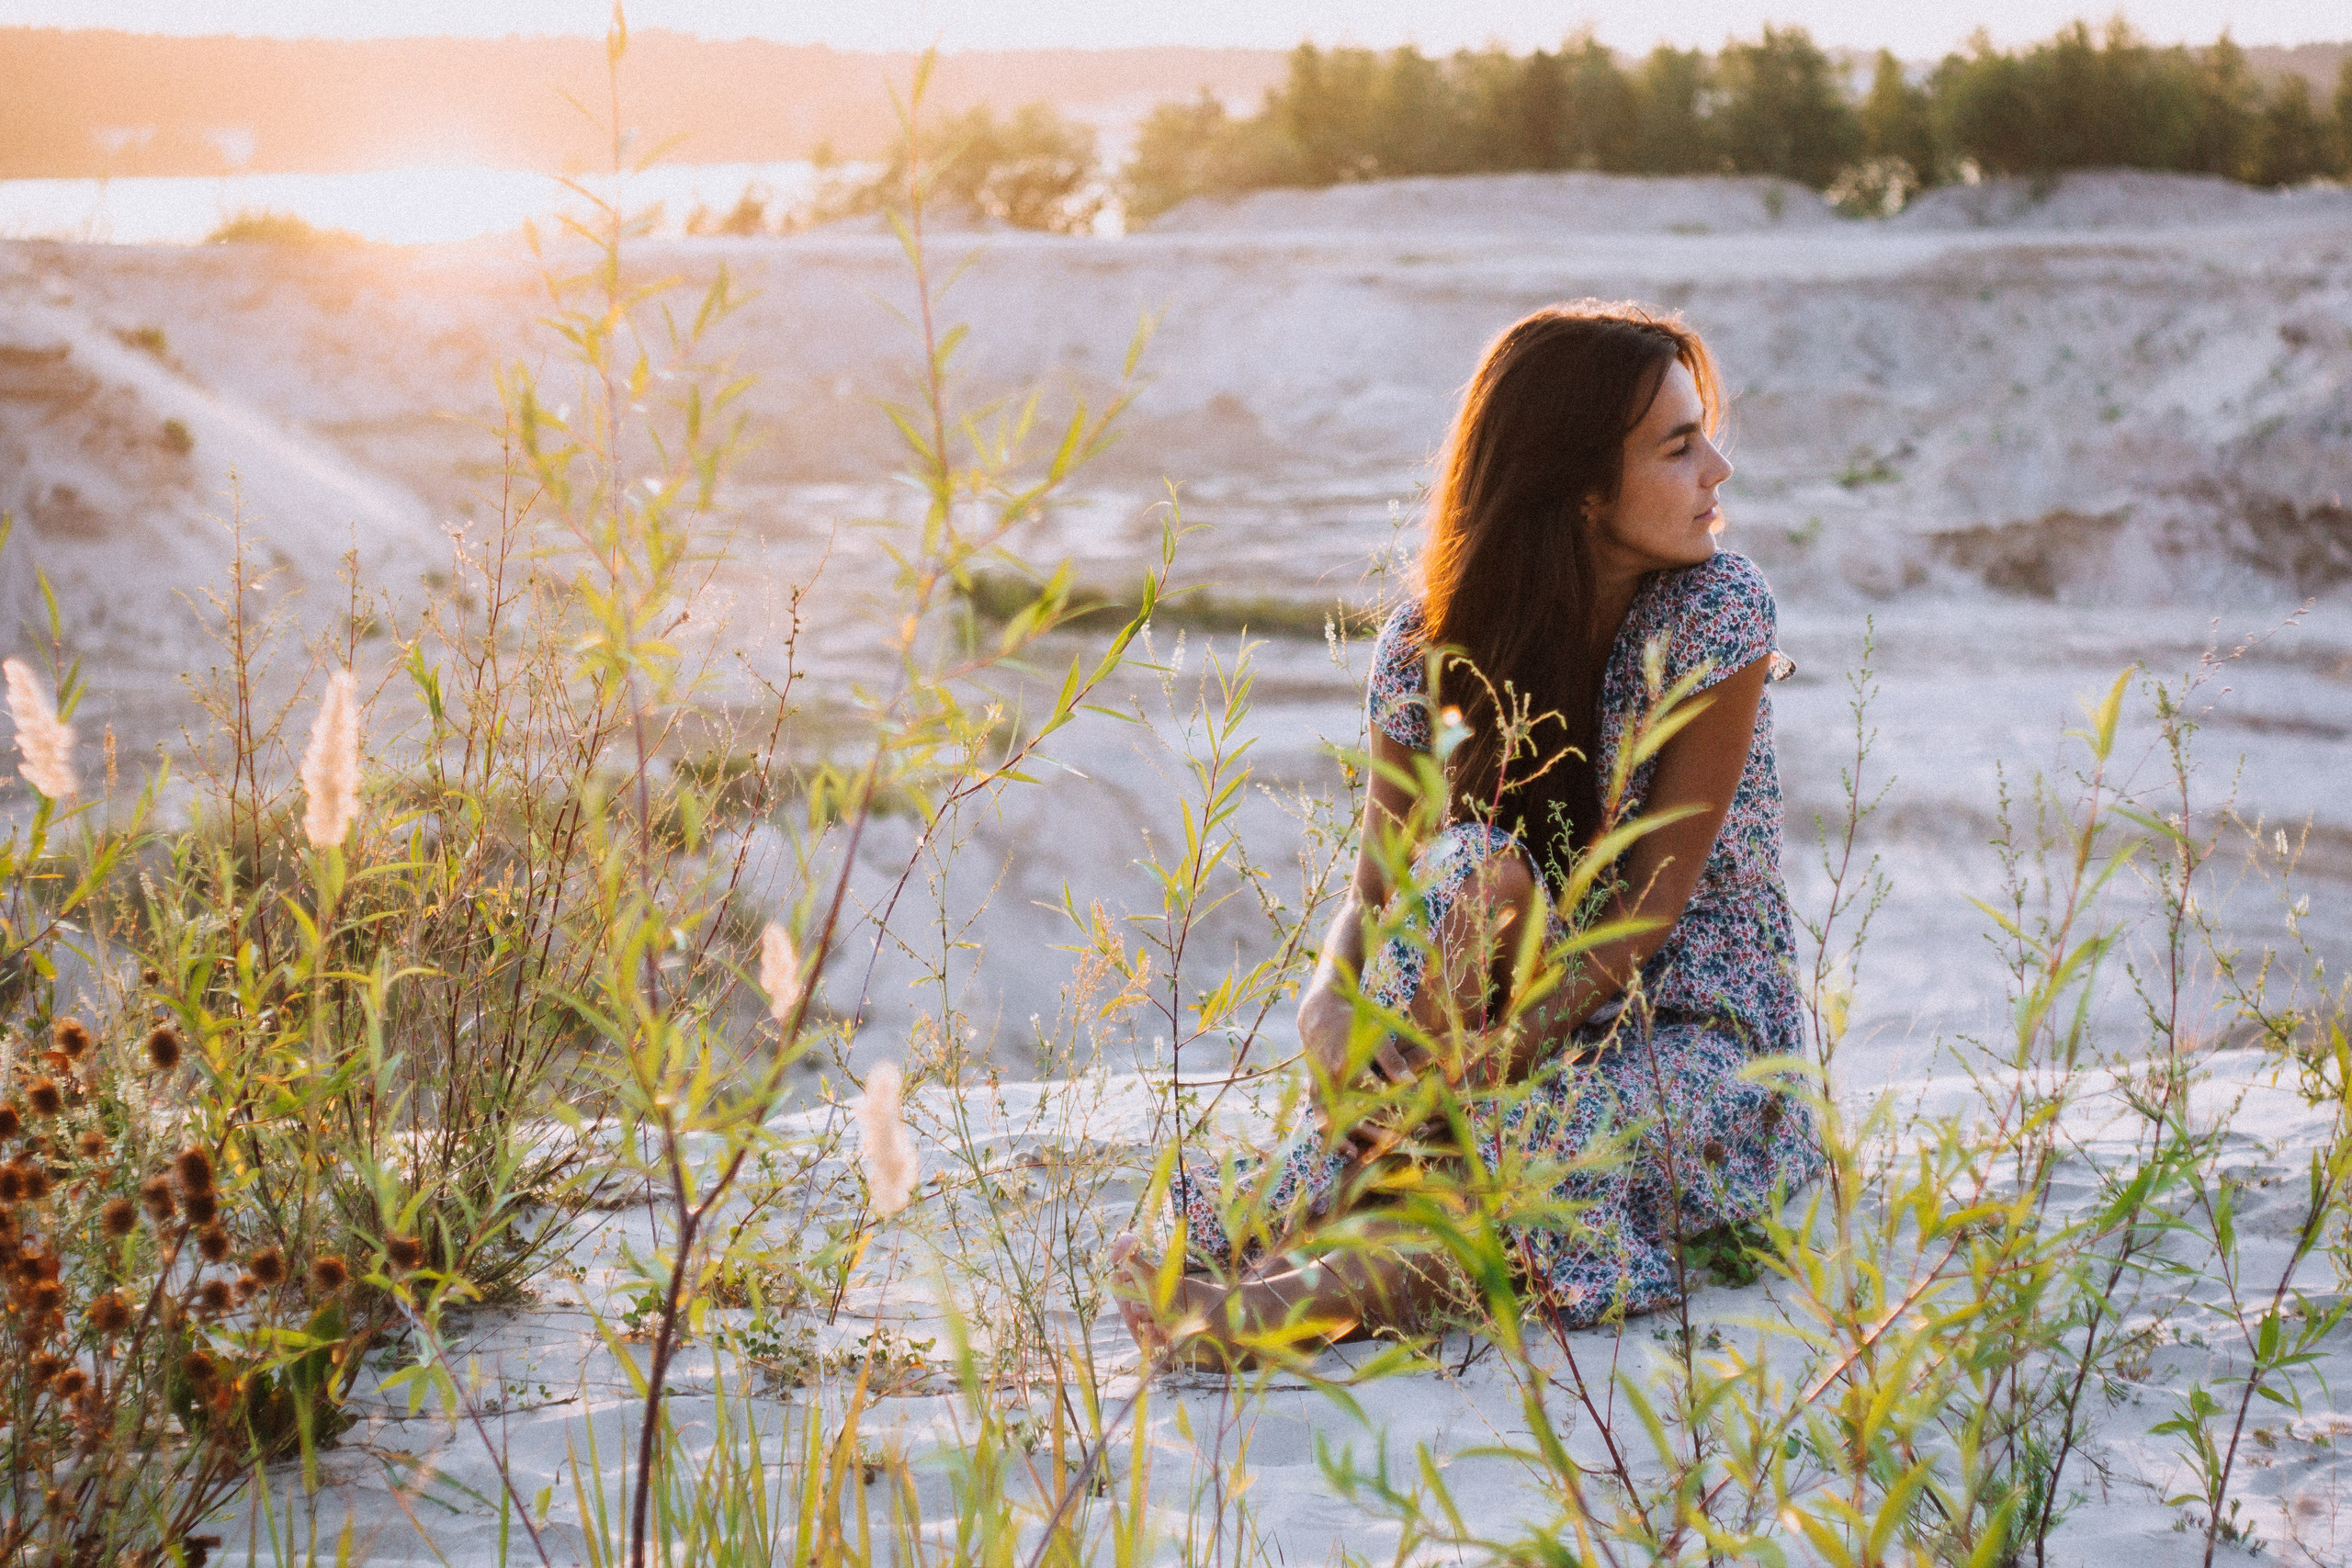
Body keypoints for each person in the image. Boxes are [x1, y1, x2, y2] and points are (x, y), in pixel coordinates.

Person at [1113, 300, 1824, 1363]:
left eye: (1703, 437)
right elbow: (1377, 889)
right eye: (1679, 447)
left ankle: (1281, 1299)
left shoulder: (1718, 613)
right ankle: (1350, 1206)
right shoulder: (1426, 644)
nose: (1717, 469)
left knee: (1523, 1161)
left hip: (1692, 1040)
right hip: (1495, 1042)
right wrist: (1326, 1007)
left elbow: (1644, 913)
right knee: (1465, 868)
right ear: (1578, 486)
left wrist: (1480, 1076)